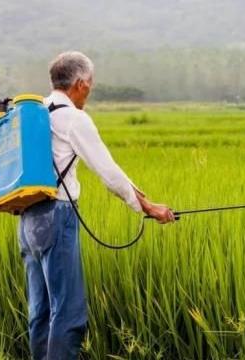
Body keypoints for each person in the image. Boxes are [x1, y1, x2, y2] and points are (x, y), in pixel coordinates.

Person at [18, 51, 175, 360]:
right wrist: (147, 208)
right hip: (57, 217)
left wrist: (140, 197)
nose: (90, 89)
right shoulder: (73, 118)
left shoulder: (36, 113)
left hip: (27, 220)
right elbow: (108, 172)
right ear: (80, 83)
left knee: (41, 310)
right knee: (69, 312)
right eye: (89, 83)